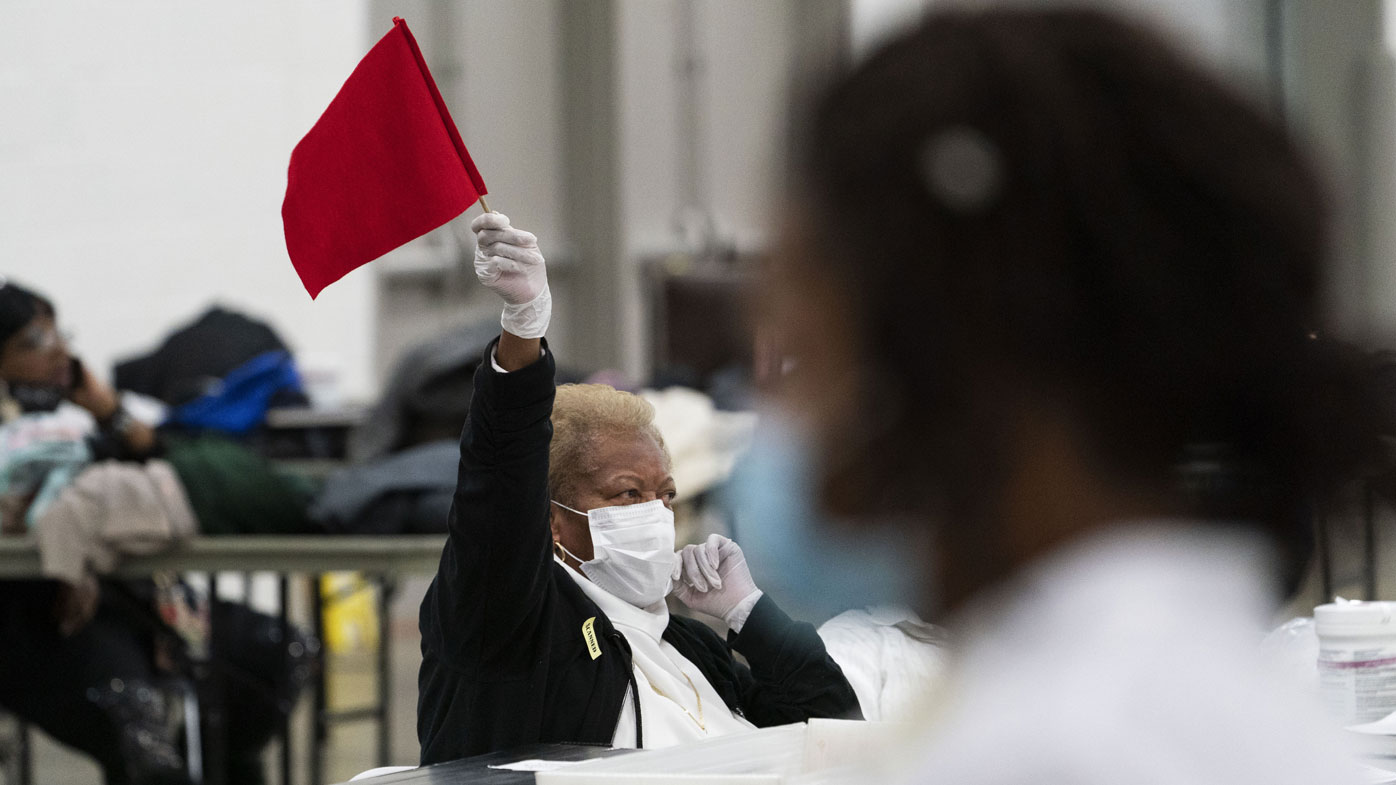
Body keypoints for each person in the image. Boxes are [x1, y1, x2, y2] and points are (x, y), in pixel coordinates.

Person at [763, 7, 1387, 784]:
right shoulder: (1193, 685)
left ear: (961, 349)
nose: (777, 397)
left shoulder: (1050, 744)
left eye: (802, 333)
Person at [416, 211, 859, 763]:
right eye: (628, 494)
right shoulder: (515, 627)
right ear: (551, 519)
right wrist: (523, 331)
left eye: (665, 495)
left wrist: (750, 613)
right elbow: (498, 485)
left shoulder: (689, 644)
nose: (655, 514)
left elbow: (837, 731)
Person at [0, 279, 310, 785]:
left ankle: (222, 766)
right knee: (138, 727)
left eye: (59, 334)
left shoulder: (77, 422)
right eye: (33, 342)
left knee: (277, 654)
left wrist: (104, 408)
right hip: (46, 622)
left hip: (138, 601)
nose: (57, 350)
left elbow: (156, 456)